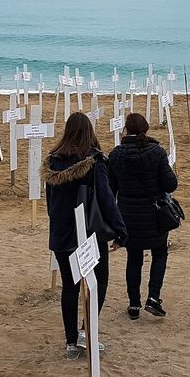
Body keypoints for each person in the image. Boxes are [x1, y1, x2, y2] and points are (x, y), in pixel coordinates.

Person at [42, 112, 128, 359]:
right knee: (97, 282)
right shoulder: (95, 162)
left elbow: (50, 204)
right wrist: (120, 230)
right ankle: (85, 332)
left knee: (69, 287)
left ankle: (71, 342)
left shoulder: (51, 162)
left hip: (61, 233)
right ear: (89, 132)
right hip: (89, 234)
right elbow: (106, 198)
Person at [108, 113, 178, 320]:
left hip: (128, 215)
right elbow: (170, 184)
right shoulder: (156, 152)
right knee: (160, 253)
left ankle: (133, 304)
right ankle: (153, 298)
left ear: (126, 130)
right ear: (145, 129)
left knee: (134, 258)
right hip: (155, 214)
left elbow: (111, 190)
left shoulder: (116, 154)